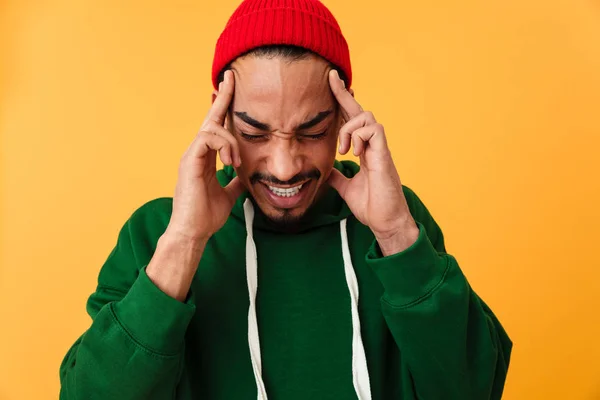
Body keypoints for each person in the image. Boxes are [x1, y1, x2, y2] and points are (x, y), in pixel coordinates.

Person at [59, 0, 512, 399]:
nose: (284, 166)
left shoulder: (393, 219)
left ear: (343, 116)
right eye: (255, 132)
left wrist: (395, 235)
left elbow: (475, 387)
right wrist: (183, 243)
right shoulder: (157, 232)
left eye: (311, 131)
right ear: (219, 114)